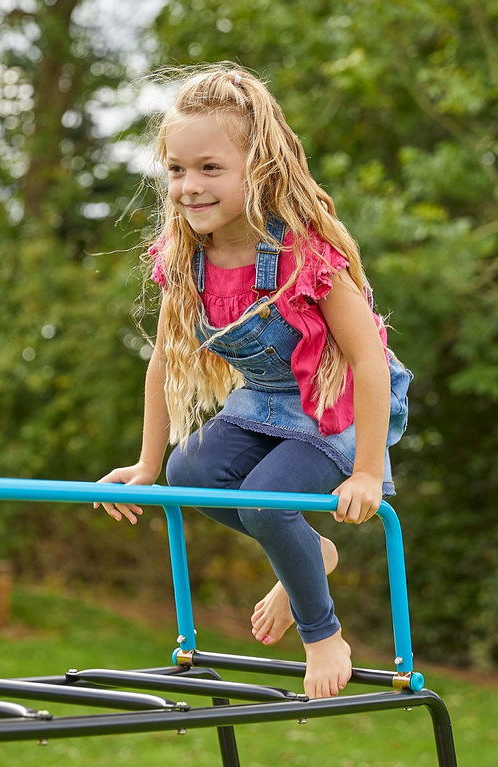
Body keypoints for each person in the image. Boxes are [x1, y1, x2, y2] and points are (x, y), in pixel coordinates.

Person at [96, 63, 411, 700]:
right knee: (191, 477)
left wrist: (369, 472)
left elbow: (369, 362)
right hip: (265, 399)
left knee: (266, 501)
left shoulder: (303, 254)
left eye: (210, 168)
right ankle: (309, 550)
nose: (190, 186)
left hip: (338, 402)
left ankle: (323, 634)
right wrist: (146, 463)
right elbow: (162, 361)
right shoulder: (187, 259)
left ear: (258, 168)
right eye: (178, 170)